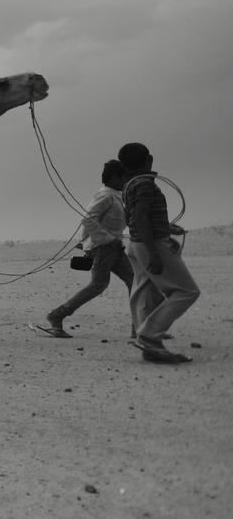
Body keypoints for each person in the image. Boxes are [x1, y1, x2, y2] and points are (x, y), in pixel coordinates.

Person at [119, 142, 200, 364]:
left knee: (144, 288)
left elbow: (131, 217)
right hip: (149, 244)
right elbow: (142, 216)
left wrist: (164, 229)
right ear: (149, 160)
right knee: (186, 292)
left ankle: (147, 341)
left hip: (136, 244)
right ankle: (149, 336)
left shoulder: (129, 185)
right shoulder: (144, 184)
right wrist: (154, 250)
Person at [33, 160, 134, 338]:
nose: (126, 181)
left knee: (133, 281)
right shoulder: (105, 195)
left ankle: (141, 327)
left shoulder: (117, 195)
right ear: (114, 177)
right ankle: (57, 315)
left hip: (114, 247)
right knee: (99, 285)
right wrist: (99, 240)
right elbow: (87, 219)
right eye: (123, 177)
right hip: (104, 247)